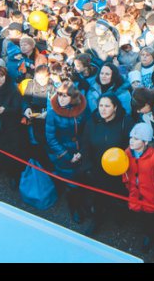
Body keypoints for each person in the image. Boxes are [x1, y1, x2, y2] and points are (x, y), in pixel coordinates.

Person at [81, 93, 134, 235]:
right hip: (97, 169)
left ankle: (119, 215)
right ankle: (97, 219)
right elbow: (85, 145)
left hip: (119, 171)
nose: (103, 109)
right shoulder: (92, 122)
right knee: (98, 197)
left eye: (107, 106)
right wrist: (87, 167)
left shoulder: (126, 122)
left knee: (118, 197)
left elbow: (130, 147)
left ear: (115, 107)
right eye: (101, 106)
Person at [45, 80, 90, 223]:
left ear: (73, 97)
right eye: (59, 95)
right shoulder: (52, 113)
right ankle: (74, 209)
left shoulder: (83, 109)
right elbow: (50, 138)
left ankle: (83, 205)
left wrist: (82, 151)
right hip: (62, 154)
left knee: (82, 181)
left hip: (80, 152)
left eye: (65, 96)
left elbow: (87, 131)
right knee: (71, 185)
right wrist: (67, 156)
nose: (61, 98)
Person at [123, 122, 154, 251]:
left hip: (152, 197)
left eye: (136, 139)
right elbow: (124, 171)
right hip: (136, 194)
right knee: (142, 218)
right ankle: (147, 235)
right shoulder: (127, 153)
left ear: (145, 142)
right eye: (131, 138)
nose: (132, 141)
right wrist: (128, 183)